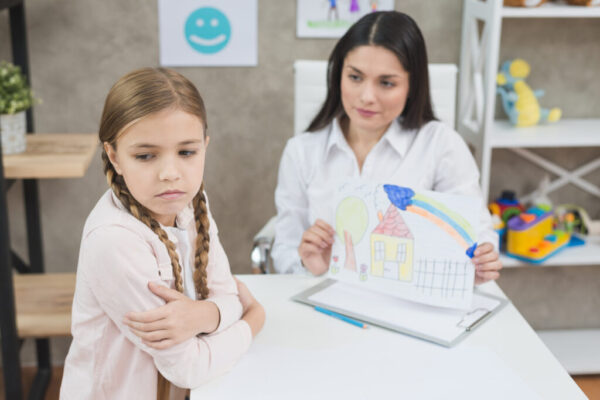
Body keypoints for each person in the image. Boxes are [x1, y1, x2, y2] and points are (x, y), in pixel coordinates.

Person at [60, 68, 265, 400]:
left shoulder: (192, 202)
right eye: (145, 155)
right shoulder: (114, 241)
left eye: (187, 152)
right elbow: (186, 366)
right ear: (114, 156)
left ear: (204, 146)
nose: (171, 174)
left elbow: (226, 293)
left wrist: (205, 314)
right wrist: (253, 319)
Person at [272, 11, 502, 284]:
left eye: (387, 83)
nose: (367, 97)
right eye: (355, 77)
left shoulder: (441, 145)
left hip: (411, 308)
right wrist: (307, 262)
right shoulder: (301, 152)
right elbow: (283, 251)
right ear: (338, 76)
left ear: (412, 86)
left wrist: (481, 261)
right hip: (326, 301)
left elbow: (478, 234)